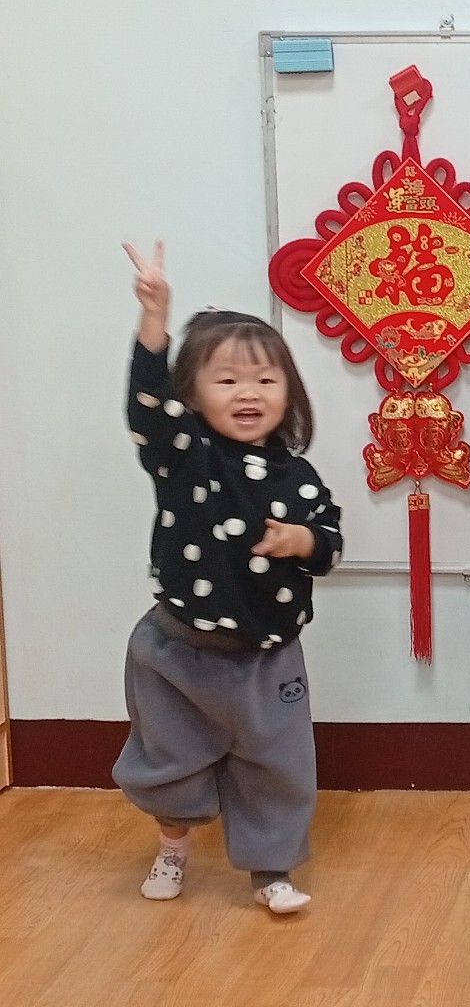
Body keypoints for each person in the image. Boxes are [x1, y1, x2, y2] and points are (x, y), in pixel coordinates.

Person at [113, 241, 343, 912]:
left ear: (288, 392)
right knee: (172, 762)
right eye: (227, 381)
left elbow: (329, 542)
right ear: (193, 395)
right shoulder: (186, 455)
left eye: (266, 380)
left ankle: (271, 871)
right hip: (179, 651)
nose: (248, 393)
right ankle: (173, 847)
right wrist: (155, 318)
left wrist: (302, 539)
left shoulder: (299, 476)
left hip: (268, 658)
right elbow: (148, 408)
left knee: (278, 767)